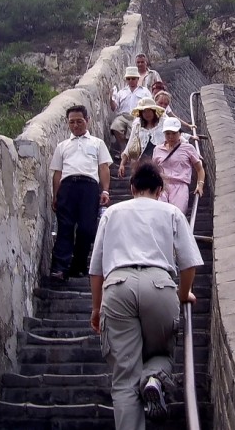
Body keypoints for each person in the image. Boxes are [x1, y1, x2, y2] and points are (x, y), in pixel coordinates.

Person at [89, 162, 203, 429]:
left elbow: (96, 270)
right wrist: (184, 293)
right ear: (161, 189)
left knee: (125, 378)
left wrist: (96, 309)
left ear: (131, 188)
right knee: (162, 350)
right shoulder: (171, 212)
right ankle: (153, 377)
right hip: (160, 285)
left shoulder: (112, 213)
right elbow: (189, 264)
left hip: (117, 286)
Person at [49, 105, 112, 280]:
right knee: (65, 228)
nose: (76, 125)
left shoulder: (97, 143)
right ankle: (60, 268)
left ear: (87, 121)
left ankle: (78, 265)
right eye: (72, 122)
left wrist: (105, 190)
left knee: (87, 229)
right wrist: (55, 195)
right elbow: (57, 173)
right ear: (68, 124)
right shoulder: (62, 146)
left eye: (79, 121)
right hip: (67, 187)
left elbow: (104, 167)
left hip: (89, 187)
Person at [152, 118, 205, 214]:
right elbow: (153, 170)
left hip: (180, 185)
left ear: (179, 133)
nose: (171, 136)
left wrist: (200, 185)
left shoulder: (188, 148)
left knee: (177, 215)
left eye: (174, 133)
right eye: (168, 133)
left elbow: (199, 169)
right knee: (160, 214)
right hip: (161, 185)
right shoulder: (157, 149)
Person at [118, 98, 166, 178]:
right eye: (144, 111)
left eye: (149, 110)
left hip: (161, 160)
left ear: (154, 111)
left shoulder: (163, 122)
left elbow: (175, 135)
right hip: (143, 161)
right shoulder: (137, 125)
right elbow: (130, 143)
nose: (147, 114)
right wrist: (122, 164)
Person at [111, 66, 151, 154]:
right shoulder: (122, 92)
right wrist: (110, 98)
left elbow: (150, 105)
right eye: (129, 79)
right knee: (116, 126)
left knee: (134, 133)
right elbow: (114, 108)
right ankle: (123, 148)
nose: (131, 81)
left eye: (133, 78)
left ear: (137, 79)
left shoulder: (144, 92)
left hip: (138, 116)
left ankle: (133, 151)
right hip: (123, 116)